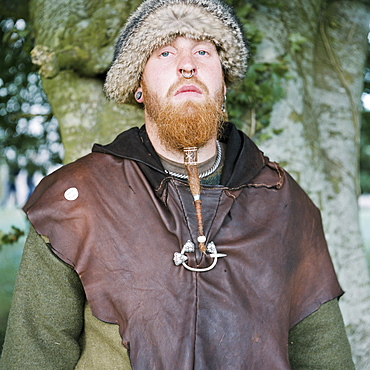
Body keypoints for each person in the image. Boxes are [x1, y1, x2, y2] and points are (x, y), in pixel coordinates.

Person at [0, 0, 355, 368]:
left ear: (224, 82)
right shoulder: (75, 202)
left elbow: (322, 352)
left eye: (203, 50)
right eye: (165, 52)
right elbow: (34, 355)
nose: (188, 65)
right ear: (139, 86)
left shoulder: (285, 202)